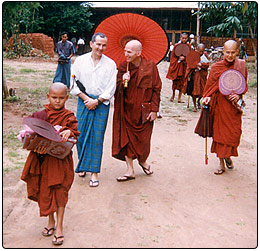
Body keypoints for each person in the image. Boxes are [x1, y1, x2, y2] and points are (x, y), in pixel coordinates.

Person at [20, 82, 80, 245]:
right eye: (54, 97)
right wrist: (33, 143)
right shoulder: (40, 115)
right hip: (42, 160)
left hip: (60, 161)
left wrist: (70, 131)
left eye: (61, 98)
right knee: (45, 191)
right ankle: (50, 221)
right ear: (48, 97)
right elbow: (29, 134)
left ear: (67, 98)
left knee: (60, 192)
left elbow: (75, 134)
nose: (57, 101)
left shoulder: (69, 116)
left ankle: (59, 227)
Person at [70, 32, 117, 187]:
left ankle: (94, 173)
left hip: (101, 104)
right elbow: (73, 83)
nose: (100, 48)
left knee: (96, 138)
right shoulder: (80, 61)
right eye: (98, 44)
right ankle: (82, 165)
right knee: (81, 134)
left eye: (104, 45)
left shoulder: (110, 64)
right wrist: (86, 99)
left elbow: (111, 87)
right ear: (91, 44)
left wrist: (97, 101)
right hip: (83, 101)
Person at [112, 40, 162, 181]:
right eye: (125, 51)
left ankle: (142, 161)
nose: (125, 54)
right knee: (126, 138)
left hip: (144, 110)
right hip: (127, 109)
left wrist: (154, 109)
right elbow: (116, 89)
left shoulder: (150, 66)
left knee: (143, 140)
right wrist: (122, 81)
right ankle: (130, 170)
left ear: (138, 53)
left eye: (129, 52)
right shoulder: (123, 67)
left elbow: (157, 88)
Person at [201, 40, 248, 175]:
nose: (230, 55)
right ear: (223, 52)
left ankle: (227, 156)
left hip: (233, 107)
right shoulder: (216, 67)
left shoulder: (241, 65)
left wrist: (239, 95)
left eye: (233, 52)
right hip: (220, 105)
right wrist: (207, 97)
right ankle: (221, 164)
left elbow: (244, 85)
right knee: (220, 135)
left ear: (237, 52)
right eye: (227, 52)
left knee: (233, 135)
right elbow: (209, 87)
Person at [183, 43, 209, 112]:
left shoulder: (205, 55)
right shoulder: (193, 55)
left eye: (202, 51)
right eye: (199, 51)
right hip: (194, 76)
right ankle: (194, 106)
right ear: (197, 49)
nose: (201, 53)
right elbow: (189, 65)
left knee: (203, 91)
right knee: (194, 92)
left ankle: (198, 101)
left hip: (202, 76)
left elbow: (207, 65)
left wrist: (202, 65)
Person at [166, 33, 191, 103]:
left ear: (187, 39)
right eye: (183, 38)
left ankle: (179, 97)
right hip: (177, 66)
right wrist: (179, 59)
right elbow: (173, 57)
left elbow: (190, 55)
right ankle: (173, 95)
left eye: (185, 38)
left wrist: (185, 58)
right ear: (180, 38)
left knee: (182, 82)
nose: (184, 39)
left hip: (184, 67)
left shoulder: (189, 46)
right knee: (175, 81)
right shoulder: (176, 46)